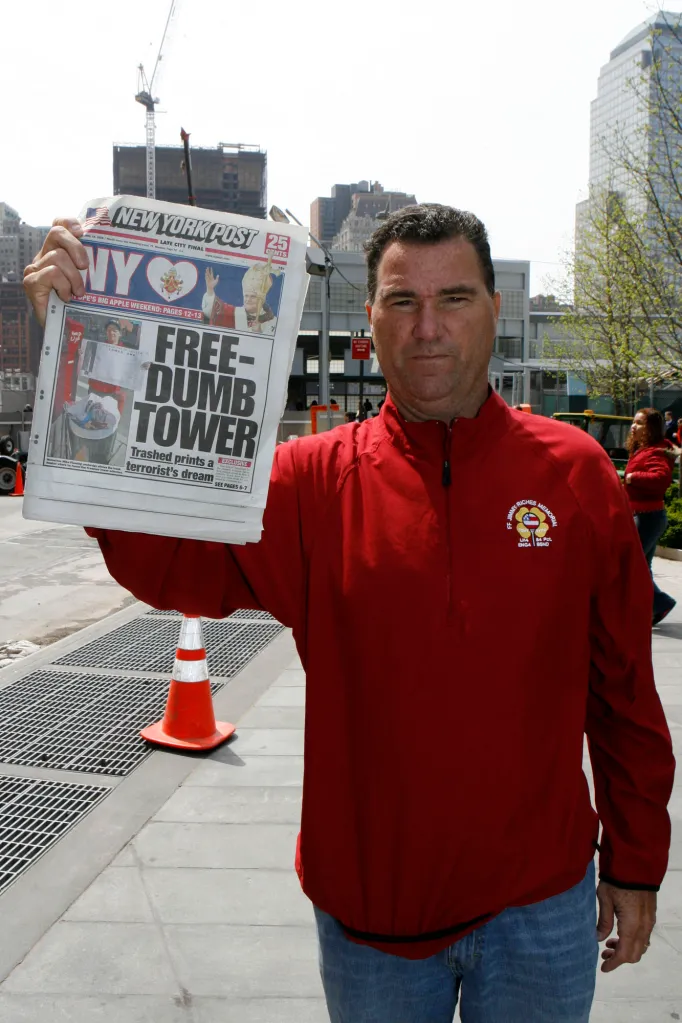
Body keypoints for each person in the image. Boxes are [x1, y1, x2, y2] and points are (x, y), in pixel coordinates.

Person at [24, 207, 674, 1023]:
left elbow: (623, 691)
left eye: (454, 298)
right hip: (373, 921)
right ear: (371, 319)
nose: (428, 327)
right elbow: (171, 564)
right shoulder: (309, 480)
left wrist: (637, 860)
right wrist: (72, 352)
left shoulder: (575, 474)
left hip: (541, 905)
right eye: (403, 301)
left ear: (494, 309)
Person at [624, 408, 677, 625]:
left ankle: (660, 603)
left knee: (629, 565)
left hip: (647, 518)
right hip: (646, 516)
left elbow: (661, 478)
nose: (633, 427)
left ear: (651, 428)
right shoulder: (645, 450)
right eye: (634, 422)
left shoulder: (656, 452)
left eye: (639, 423)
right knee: (642, 567)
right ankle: (651, 607)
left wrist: (632, 477)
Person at [202, 263, 277, 334]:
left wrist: (259, 332)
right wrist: (210, 290)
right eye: (246, 296)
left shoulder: (273, 322)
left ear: (262, 299)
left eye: (253, 296)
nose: (248, 300)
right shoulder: (235, 313)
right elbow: (210, 312)